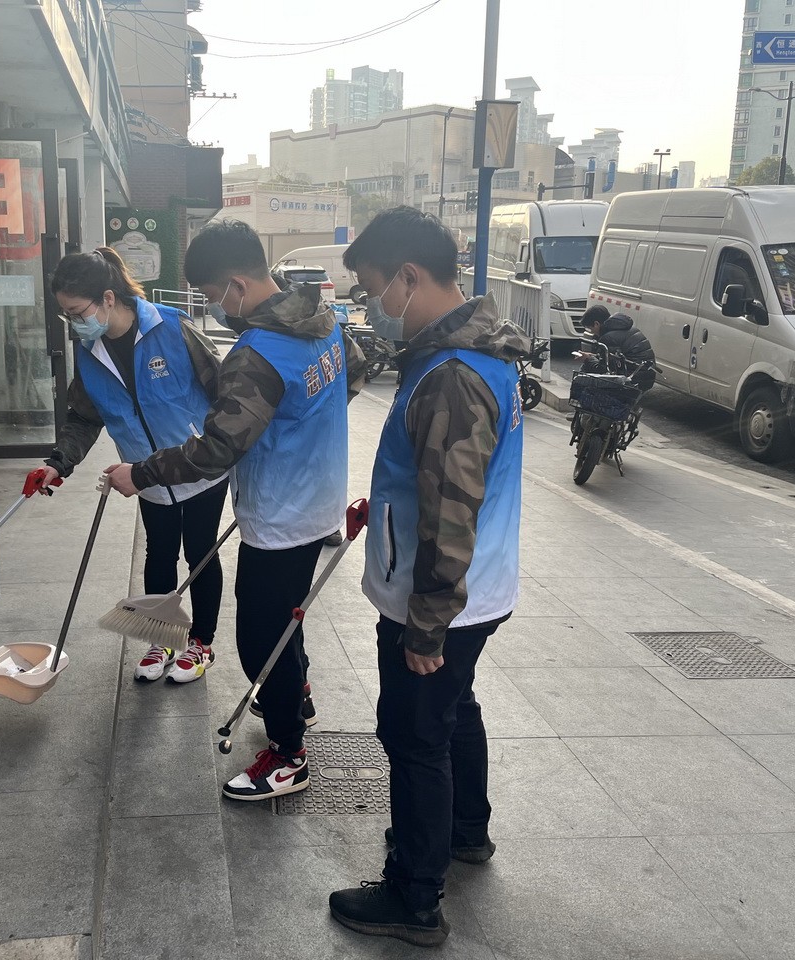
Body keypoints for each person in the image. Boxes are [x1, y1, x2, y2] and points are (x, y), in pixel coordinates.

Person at [105, 220, 366, 801]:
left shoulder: (256, 353)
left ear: (236, 285)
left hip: (279, 515)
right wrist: (301, 432)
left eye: (212, 295)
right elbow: (353, 372)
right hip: (319, 499)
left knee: (259, 637)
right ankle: (298, 695)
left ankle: (289, 756)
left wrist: (138, 474)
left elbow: (217, 449)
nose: (214, 307)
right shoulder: (323, 320)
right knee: (288, 616)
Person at [327, 206, 531, 948]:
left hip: (443, 595)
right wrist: (384, 503)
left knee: (414, 736)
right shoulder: (476, 356)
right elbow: (438, 479)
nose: (372, 305)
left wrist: (425, 624)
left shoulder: (450, 375)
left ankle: (413, 896)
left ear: (409, 277)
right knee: (452, 709)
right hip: (477, 588)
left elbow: (450, 510)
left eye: (373, 288)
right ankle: (465, 830)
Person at [26, 247, 227, 685]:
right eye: (66, 315)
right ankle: (162, 638)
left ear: (108, 298)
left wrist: (226, 446)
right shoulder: (90, 352)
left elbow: (222, 388)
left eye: (77, 312)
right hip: (146, 475)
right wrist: (59, 463)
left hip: (197, 469)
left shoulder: (172, 328)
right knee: (159, 553)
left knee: (200, 552)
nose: (74, 323)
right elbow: (84, 416)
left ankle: (201, 642)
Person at [579, 305, 656, 393]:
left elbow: (604, 368)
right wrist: (593, 356)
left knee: (586, 372)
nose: (591, 332)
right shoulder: (627, 328)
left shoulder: (608, 338)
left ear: (596, 324)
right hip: (646, 376)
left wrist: (588, 359)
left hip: (632, 380)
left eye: (590, 328)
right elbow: (615, 358)